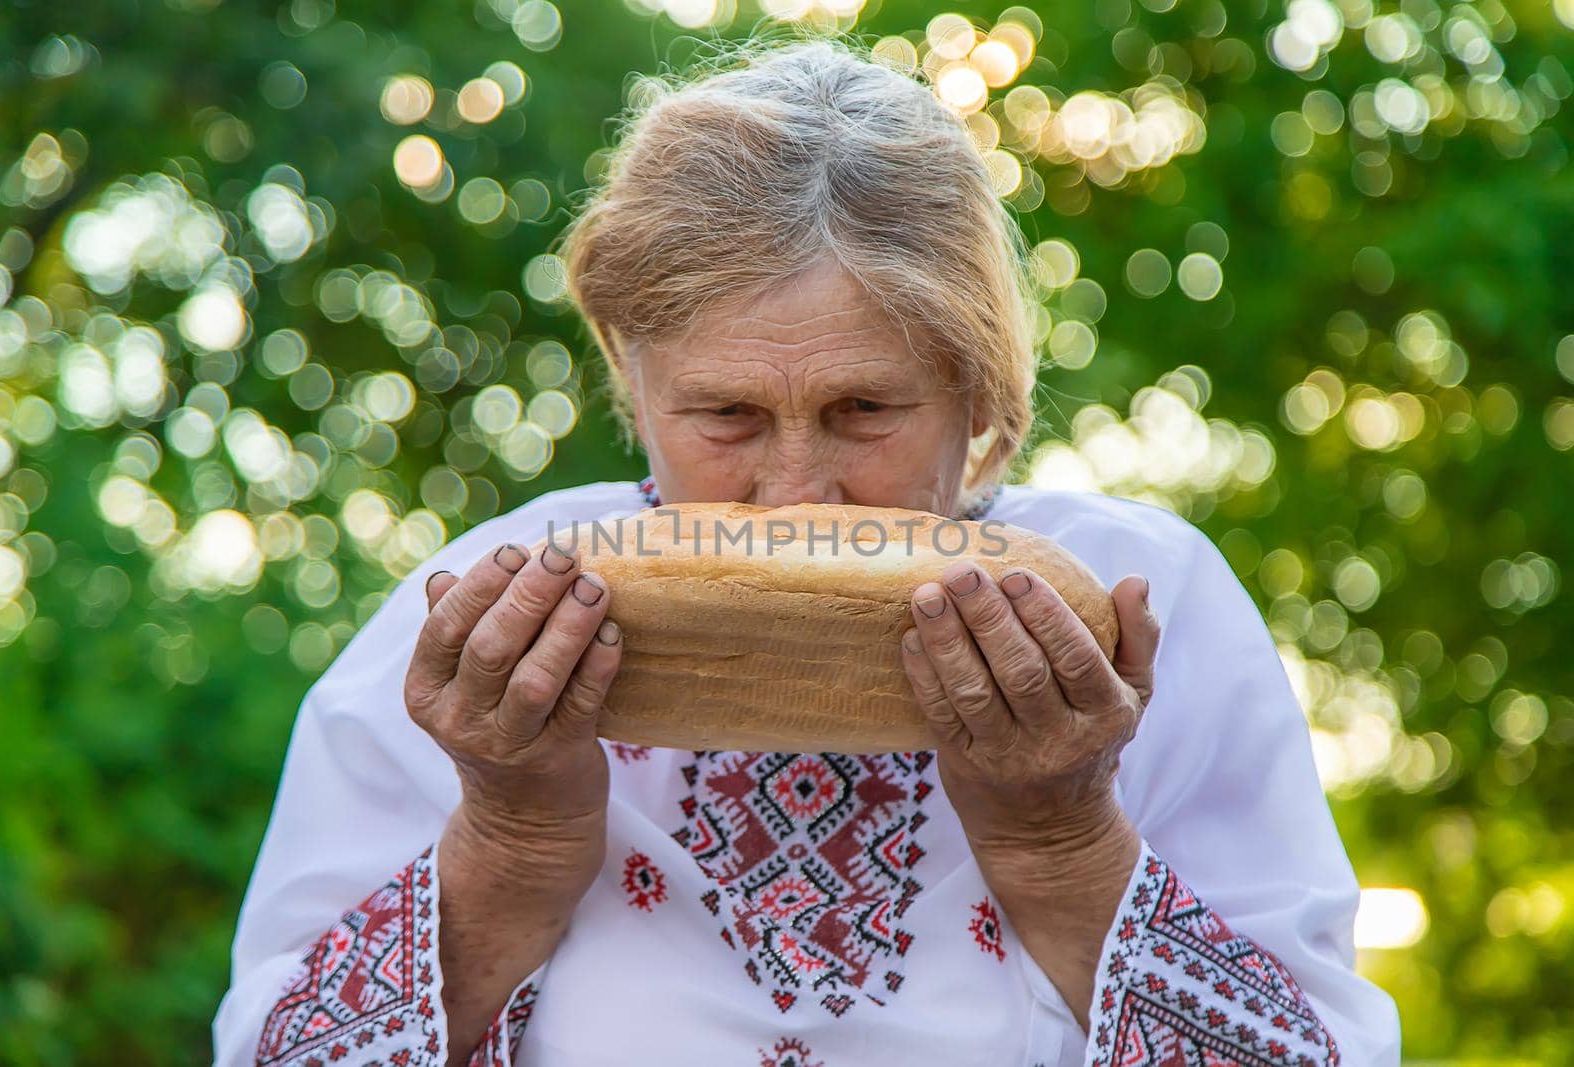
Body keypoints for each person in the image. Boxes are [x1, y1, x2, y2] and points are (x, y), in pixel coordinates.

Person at [214, 38, 1401, 1066]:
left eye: (865, 412)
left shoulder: (1153, 603)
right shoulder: (497, 607)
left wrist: (1062, 839)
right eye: (725, 416)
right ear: (632, 377)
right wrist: (512, 838)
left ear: (979, 388)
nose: (793, 491)